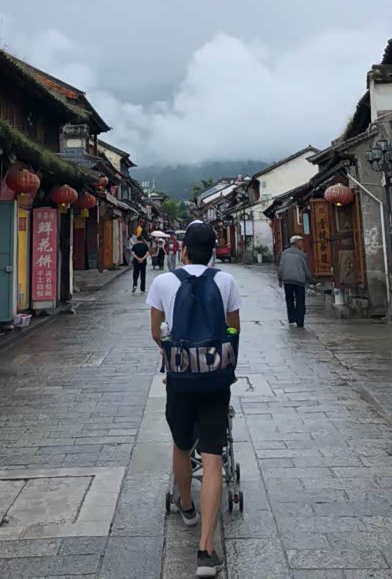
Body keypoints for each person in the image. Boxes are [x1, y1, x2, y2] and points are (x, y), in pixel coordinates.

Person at [147, 221, 241, 578]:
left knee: (182, 445)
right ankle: (206, 552)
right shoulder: (226, 281)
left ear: (183, 249)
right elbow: (234, 330)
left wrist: (177, 357)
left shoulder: (163, 282)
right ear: (213, 252)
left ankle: (186, 505)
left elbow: (157, 332)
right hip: (216, 381)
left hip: (180, 380)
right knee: (213, 457)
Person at [277, 234, 315, 327]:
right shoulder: (302, 254)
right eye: (301, 241)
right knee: (300, 300)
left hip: (287, 280)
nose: (302, 243)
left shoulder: (284, 253)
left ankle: (291, 318)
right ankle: (300, 321)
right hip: (299, 281)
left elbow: (281, 266)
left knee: (289, 299)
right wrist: (310, 279)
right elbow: (306, 269)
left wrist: (280, 278)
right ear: (296, 243)